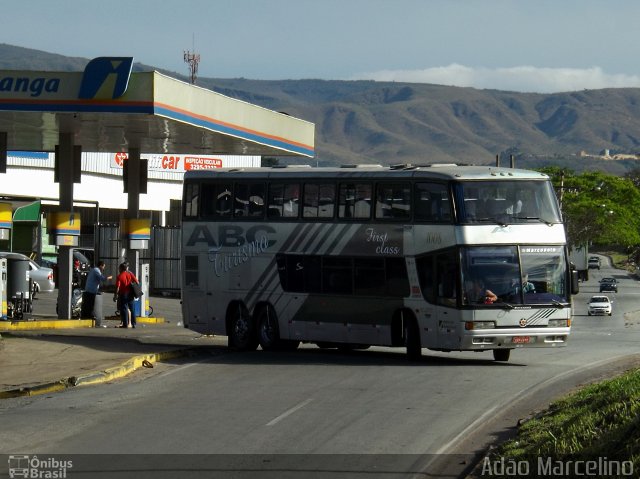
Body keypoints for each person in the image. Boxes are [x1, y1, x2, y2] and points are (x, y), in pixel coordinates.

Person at [81, 261, 112, 326]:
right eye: (103, 266)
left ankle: (88, 316)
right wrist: (109, 278)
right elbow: (102, 278)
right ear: (101, 265)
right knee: (90, 305)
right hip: (91, 291)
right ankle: (89, 317)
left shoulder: (94, 270)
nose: (104, 268)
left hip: (90, 290)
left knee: (89, 305)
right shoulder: (96, 270)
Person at [114, 262, 138, 328]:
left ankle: (125, 324)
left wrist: (115, 295)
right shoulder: (130, 274)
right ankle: (134, 324)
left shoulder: (119, 276)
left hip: (123, 294)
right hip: (130, 293)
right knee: (132, 308)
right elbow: (137, 282)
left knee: (124, 308)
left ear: (121, 268)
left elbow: (117, 287)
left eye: (119, 268)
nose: (119, 269)